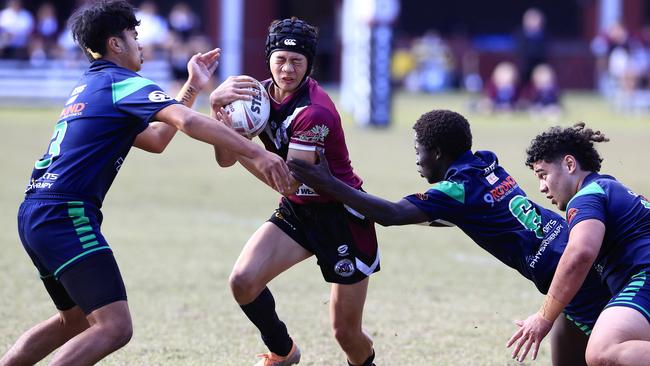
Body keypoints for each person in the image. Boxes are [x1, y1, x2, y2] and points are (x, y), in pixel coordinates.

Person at [0, 1, 291, 365]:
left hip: (36, 211)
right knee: (114, 327)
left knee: (72, 320)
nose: (142, 45)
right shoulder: (121, 82)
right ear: (115, 44)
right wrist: (258, 153)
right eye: (134, 37)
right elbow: (186, 122)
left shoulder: (90, 85)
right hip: (65, 214)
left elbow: (156, 139)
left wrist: (192, 85)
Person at [288, 110, 611, 366]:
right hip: (571, 253)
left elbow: (391, 214)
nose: (417, 159)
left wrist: (326, 182)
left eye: (419, 151)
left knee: (614, 352)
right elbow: (469, 212)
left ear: (438, 152)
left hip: (567, 272)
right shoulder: (487, 161)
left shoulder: (456, 190)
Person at [210, 17, 379, 366]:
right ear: (268, 58)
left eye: (297, 62)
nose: (287, 69)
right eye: (280, 59)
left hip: (341, 216)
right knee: (243, 281)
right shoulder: (251, 96)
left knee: (346, 334)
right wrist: (217, 113)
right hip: (299, 209)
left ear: (309, 65)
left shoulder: (314, 112)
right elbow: (226, 159)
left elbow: (288, 180)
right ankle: (283, 352)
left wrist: (244, 146)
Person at [507, 123, 650, 365]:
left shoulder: (586, 198)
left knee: (604, 350)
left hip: (645, 277)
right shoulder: (609, 187)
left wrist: (543, 317)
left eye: (543, 174)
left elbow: (580, 253)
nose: (541, 187)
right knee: (573, 313)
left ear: (570, 164)